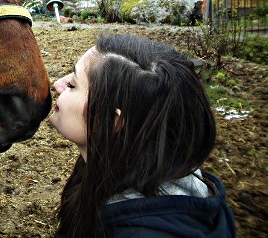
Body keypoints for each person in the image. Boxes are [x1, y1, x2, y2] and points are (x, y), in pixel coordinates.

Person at [49, 33, 236, 238]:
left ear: (113, 121)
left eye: (72, 85)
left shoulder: (134, 231)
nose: (58, 84)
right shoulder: (112, 164)